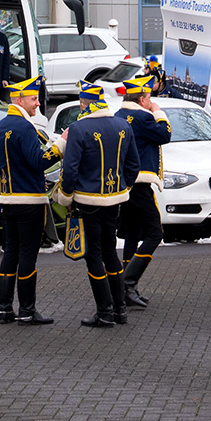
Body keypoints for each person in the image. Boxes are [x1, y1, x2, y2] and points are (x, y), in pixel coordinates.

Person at [58, 80, 133, 328]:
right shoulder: (123, 125)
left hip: (87, 200)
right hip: (115, 200)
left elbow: (69, 171)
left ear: (83, 103)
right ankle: (120, 309)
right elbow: (133, 166)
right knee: (111, 252)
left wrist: (66, 197)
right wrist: (123, 187)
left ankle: (104, 312)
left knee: (93, 256)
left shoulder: (78, 129)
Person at [0, 76, 58, 326]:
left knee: (11, 253)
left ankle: (5, 310)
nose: (37, 103)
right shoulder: (25, 127)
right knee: (28, 255)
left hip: (8, 201)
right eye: (33, 99)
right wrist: (60, 146)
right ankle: (27, 311)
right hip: (29, 201)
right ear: (19, 100)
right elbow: (39, 161)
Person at [118, 61, 170, 308]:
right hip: (140, 183)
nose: (151, 101)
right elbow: (165, 134)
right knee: (154, 233)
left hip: (124, 184)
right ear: (141, 100)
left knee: (131, 235)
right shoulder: (142, 117)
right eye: (149, 97)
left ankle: (128, 289)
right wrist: (158, 112)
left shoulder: (119, 114)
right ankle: (127, 282)